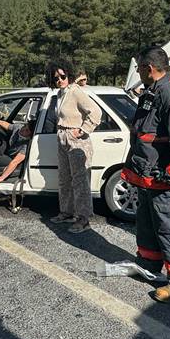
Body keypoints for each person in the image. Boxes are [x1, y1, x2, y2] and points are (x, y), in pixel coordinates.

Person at [121, 46, 170, 303]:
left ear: (148, 68)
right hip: (147, 175)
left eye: (140, 68)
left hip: (163, 177)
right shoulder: (150, 92)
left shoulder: (169, 95)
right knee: (147, 223)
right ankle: (150, 265)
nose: (138, 72)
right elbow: (142, 133)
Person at [47, 60, 102, 234]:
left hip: (76, 140)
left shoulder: (76, 92)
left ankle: (83, 219)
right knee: (64, 178)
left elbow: (96, 111)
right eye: (56, 78)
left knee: (80, 181)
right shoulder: (60, 94)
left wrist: (83, 130)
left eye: (63, 76)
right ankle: (67, 212)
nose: (60, 80)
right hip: (62, 137)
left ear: (69, 75)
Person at [0, 117, 36, 186]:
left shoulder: (26, 145)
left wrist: (1, 178)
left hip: (11, 159)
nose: (23, 129)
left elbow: (15, 162)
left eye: (27, 130)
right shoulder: (19, 127)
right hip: (8, 151)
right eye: (25, 126)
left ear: (30, 135)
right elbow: (7, 125)